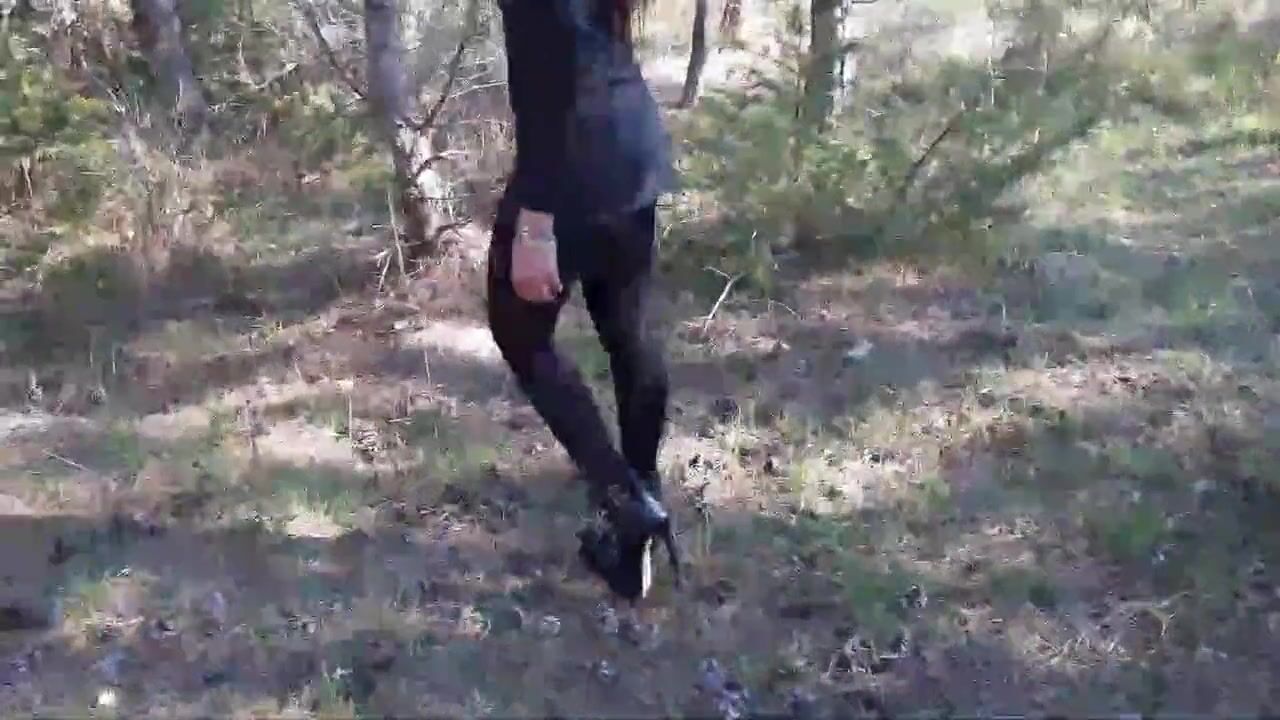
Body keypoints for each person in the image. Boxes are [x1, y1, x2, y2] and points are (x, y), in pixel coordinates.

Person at [488, 0, 680, 602]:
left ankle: (628, 503)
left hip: (575, 162)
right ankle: (640, 504)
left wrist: (534, 224)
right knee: (628, 332)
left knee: (520, 334)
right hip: (630, 144)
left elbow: (547, 90)